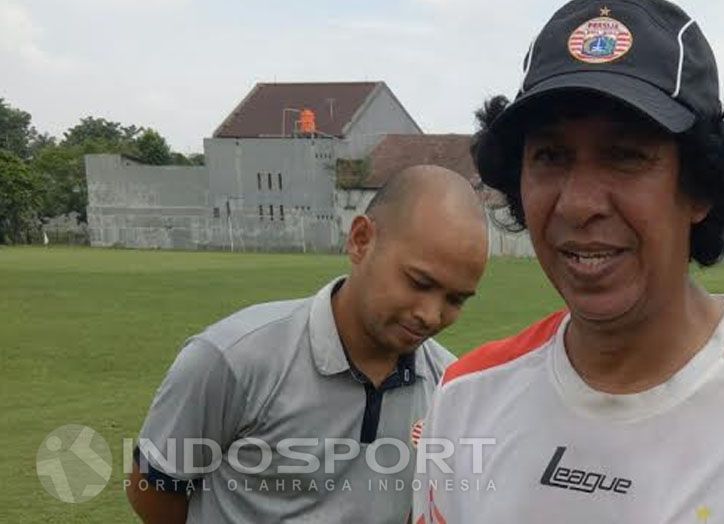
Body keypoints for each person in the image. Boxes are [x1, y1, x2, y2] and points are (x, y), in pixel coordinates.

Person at [413, 0, 724, 523]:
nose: (579, 204)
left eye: (626, 155)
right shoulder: (466, 398)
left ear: (699, 186)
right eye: (550, 156)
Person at [127, 165, 488, 523]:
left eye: (455, 300)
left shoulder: (449, 386)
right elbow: (154, 488)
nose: (431, 314)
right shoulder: (232, 358)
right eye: (419, 282)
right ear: (361, 240)